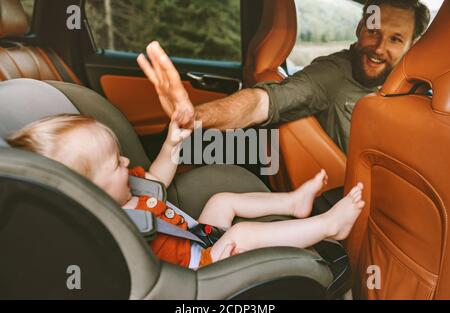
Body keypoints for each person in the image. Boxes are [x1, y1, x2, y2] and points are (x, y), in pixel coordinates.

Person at [6, 114, 365, 269]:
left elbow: (156, 182)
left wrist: (172, 145)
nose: (127, 161)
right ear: (89, 193)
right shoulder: (116, 230)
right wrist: (213, 260)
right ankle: (329, 226)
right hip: (199, 266)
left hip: (194, 235)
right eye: (116, 163)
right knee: (243, 232)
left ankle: (293, 201)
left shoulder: (121, 188)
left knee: (221, 200)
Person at [137, 0, 430, 153]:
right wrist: (196, 116)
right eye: (373, 32)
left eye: (394, 39)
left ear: (411, 46)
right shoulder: (333, 74)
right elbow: (263, 101)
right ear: (359, 29)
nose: (378, 48)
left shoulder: (419, 90)